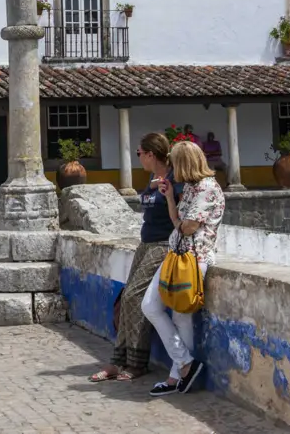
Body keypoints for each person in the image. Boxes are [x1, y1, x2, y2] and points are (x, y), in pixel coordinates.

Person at [90, 133, 180, 383]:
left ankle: (137, 362)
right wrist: (150, 189)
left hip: (163, 245)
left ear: (151, 154)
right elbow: (148, 203)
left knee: (134, 296)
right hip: (146, 243)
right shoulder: (153, 178)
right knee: (126, 296)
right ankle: (118, 360)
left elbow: (176, 212)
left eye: (139, 153)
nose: (138, 158)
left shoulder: (174, 179)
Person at [143, 140, 225, 396]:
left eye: (174, 163)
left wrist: (179, 222)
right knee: (151, 306)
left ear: (184, 163)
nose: (171, 169)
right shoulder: (189, 188)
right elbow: (177, 221)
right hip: (177, 255)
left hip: (193, 258)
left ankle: (177, 377)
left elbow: (187, 227)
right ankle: (186, 364)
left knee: (181, 315)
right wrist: (169, 198)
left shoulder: (208, 189)